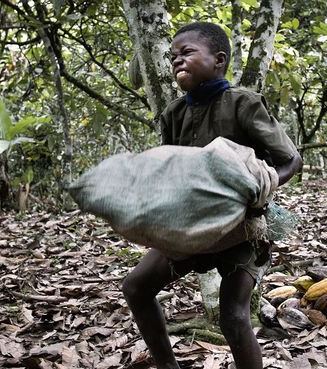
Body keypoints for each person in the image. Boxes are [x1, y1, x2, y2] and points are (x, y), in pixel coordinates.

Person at [121, 21, 302, 369]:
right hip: (194, 225)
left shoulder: (242, 104)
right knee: (136, 287)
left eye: (187, 53)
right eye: (172, 56)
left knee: (233, 316)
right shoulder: (175, 112)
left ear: (218, 60)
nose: (177, 61)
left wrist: (259, 189)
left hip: (242, 228)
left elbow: (291, 160)